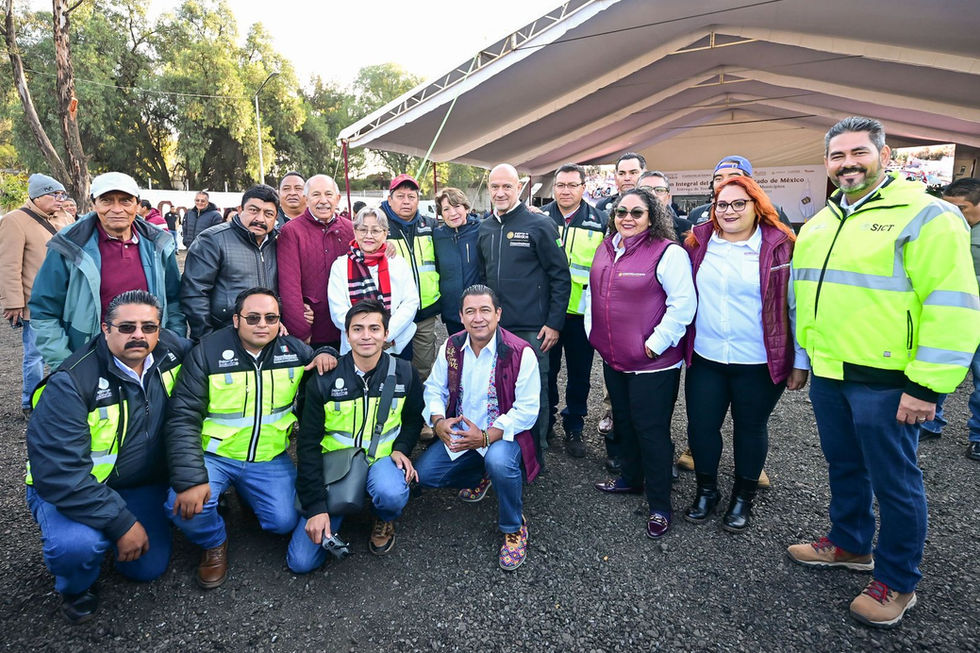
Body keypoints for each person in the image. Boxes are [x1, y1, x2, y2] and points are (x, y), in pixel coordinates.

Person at [787, 117, 980, 628]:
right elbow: (805, 299)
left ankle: (897, 579)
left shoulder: (928, 215)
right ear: (826, 163)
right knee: (844, 465)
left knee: (896, 482)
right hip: (831, 372)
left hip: (891, 378)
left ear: (885, 154)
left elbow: (953, 305)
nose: (847, 163)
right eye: (836, 156)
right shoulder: (821, 224)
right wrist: (804, 359)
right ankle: (850, 544)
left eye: (858, 153)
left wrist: (926, 387)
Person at [25, 290, 187, 623]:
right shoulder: (71, 382)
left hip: (137, 483)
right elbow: (58, 473)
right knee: (76, 547)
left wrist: (320, 351)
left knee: (148, 568)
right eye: (126, 327)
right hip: (73, 488)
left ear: (160, 329)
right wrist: (121, 523)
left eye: (148, 327)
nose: (139, 335)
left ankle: (122, 532)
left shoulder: (171, 352)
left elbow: (218, 349)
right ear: (105, 328)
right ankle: (76, 587)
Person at [164, 287, 337, 589]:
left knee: (283, 521)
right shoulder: (207, 351)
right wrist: (190, 478)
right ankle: (214, 543)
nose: (262, 325)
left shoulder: (292, 350)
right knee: (185, 507)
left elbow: (323, 359)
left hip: (267, 458)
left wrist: (327, 353)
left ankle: (246, 494)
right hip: (214, 456)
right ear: (236, 320)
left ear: (280, 321)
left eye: (271, 318)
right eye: (253, 317)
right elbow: (182, 417)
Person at [682, 176, 809, 532]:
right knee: (702, 428)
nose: (729, 210)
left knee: (750, 428)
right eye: (722, 204)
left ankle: (743, 497)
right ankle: (707, 491)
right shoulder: (698, 242)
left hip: (757, 359)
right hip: (707, 356)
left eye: (740, 203)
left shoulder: (781, 246)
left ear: (757, 206)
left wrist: (800, 360)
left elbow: (795, 306)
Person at [589, 188, 696, 539]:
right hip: (614, 358)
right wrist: (594, 333)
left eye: (636, 212)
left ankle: (660, 505)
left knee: (651, 432)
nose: (627, 218)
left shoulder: (668, 253)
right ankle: (631, 480)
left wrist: (654, 346)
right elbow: (592, 293)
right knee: (625, 422)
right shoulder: (606, 247)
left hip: (653, 365)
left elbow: (683, 305)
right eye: (621, 212)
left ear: (652, 216)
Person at [288, 300, 423, 573]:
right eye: (357, 329)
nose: (366, 336)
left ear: (386, 334)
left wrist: (402, 448)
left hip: (381, 461)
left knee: (392, 493)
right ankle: (338, 507)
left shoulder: (406, 373)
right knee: (301, 562)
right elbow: (308, 445)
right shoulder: (324, 378)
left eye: (374, 328)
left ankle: (382, 516)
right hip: (336, 469)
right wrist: (315, 507)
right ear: (347, 334)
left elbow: (412, 420)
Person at [415, 285, 541, 570]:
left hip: (500, 437)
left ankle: (513, 527)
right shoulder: (452, 346)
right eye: (470, 311)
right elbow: (433, 389)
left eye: (485, 310)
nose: (478, 318)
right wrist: (437, 422)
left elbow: (528, 410)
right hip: (462, 433)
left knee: (498, 460)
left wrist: (486, 437)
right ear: (461, 316)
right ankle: (480, 475)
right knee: (424, 475)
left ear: (498, 314)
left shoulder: (521, 352)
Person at [29, 172, 184, 370]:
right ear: (94, 204)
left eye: (125, 201)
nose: (116, 209)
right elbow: (44, 310)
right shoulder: (69, 245)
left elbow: (174, 301)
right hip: (89, 356)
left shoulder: (159, 244)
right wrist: (67, 363)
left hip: (150, 357)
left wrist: (171, 345)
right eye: (107, 201)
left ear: (137, 205)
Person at [478, 163, 571, 457]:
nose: (501, 192)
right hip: (496, 328)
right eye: (495, 186)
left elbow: (560, 275)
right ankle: (503, 451)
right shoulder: (485, 227)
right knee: (498, 391)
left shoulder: (539, 224)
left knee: (534, 394)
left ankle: (536, 453)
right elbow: (483, 278)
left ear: (519, 187)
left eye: (507, 186)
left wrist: (554, 323)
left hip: (533, 328)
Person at [540, 163, 606, 458]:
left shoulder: (600, 221)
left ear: (583, 188)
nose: (565, 190)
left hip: (582, 313)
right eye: (560, 185)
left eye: (572, 185)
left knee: (579, 373)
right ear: (553, 188)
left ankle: (574, 425)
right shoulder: (539, 219)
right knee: (546, 371)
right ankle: (546, 423)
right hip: (546, 312)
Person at [0, 173, 73, 420]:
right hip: (36, 302)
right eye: (55, 194)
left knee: (66, 351)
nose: (60, 199)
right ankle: (31, 403)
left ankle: (62, 398)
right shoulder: (14, 221)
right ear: (38, 196)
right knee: (35, 356)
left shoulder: (65, 217)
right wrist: (13, 302)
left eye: (62, 194)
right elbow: (9, 265)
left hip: (68, 300)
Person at [917, 177, 980, 461]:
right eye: (949, 207)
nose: (955, 214)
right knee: (936, 372)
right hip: (947, 318)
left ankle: (978, 436)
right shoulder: (939, 229)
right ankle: (930, 422)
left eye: (963, 208)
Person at [180, 185, 280, 341]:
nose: (260, 219)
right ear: (240, 210)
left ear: (276, 218)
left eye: (268, 214)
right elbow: (194, 293)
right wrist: (207, 339)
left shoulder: (280, 243)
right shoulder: (212, 240)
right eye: (253, 210)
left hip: (270, 336)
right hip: (223, 335)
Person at [328, 206, 419, 357]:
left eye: (375, 231)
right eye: (363, 230)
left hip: (393, 344)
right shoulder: (340, 266)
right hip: (356, 346)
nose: (368, 235)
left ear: (385, 234)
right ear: (355, 232)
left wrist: (385, 335)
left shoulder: (398, 262)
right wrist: (365, 335)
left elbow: (410, 302)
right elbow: (338, 310)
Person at [277, 174, 354, 349]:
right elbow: (290, 286)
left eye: (328, 194)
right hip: (313, 330)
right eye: (316, 194)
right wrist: (301, 330)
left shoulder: (351, 229)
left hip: (349, 328)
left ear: (337, 198)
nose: (323, 200)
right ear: (306, 199)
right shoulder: (291, 231)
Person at [379, 174, 442, 380]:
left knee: (423, 368)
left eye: (412, 196)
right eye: (400, 196)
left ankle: (419, 408)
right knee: (393, 368)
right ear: (390, 199)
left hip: (425, 314)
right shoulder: (379, 227)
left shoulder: (430, 226)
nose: (406, 201)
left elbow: (462, 224)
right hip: (393, 315)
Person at [688, 156, 793, 228]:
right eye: (718, 178)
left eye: (733, 177)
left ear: (749, 182)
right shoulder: (697, 214)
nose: (724, 183)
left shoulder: (773, 212)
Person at [433, 187, 480, 336]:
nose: (452, 213)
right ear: (441, 213)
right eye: (446, 209)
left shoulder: (482, 229)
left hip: (479, 312)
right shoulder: (437, 236)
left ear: (466, 208)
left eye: (457, 206)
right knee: (458, 354)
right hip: (452, 313)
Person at [637, 171, 693, 241]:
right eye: (646, 189)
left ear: (667, 197)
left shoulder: (685, 227)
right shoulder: (627, 223)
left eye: (659, 190)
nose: (653, 194)